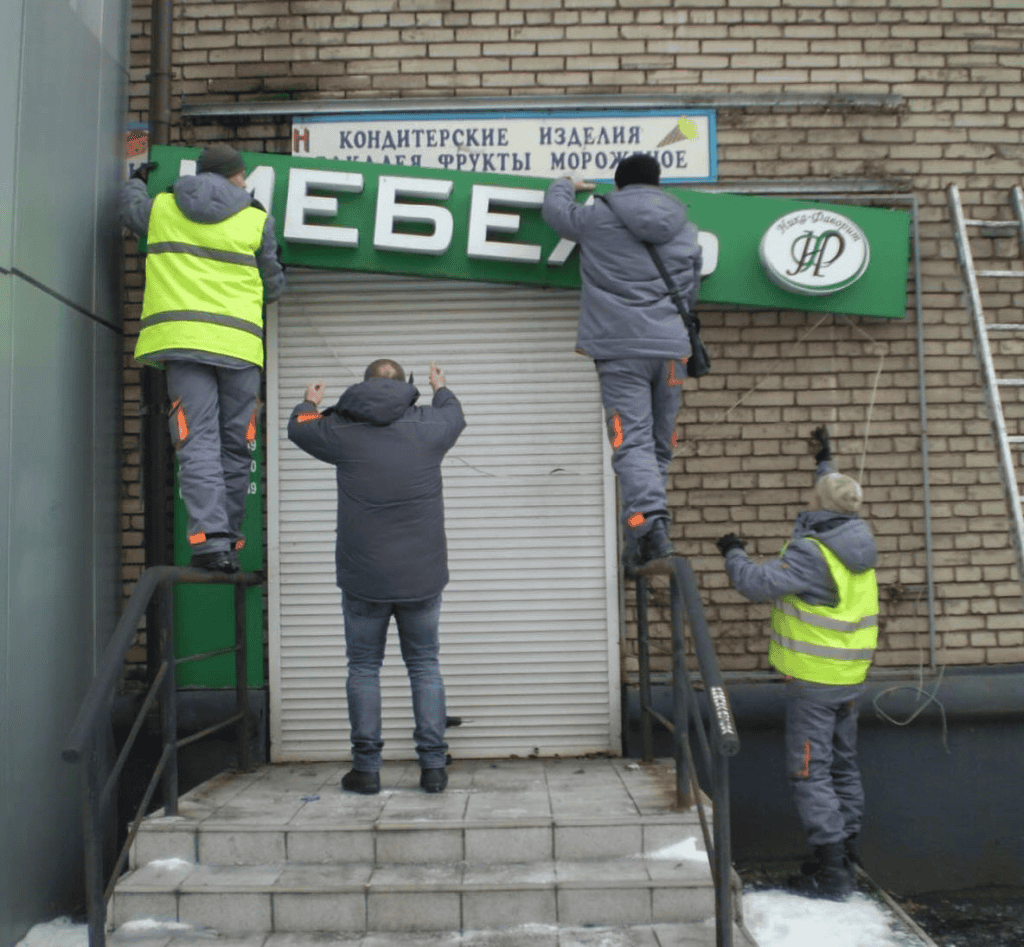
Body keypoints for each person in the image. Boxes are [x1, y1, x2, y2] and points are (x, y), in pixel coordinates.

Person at [715, 426, 879, 901]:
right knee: (843, 768)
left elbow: (755, 583)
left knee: (810, 772)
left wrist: (732, 551)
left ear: (822, 506)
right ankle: (846, 853)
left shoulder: (813, 553)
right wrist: (824, 459)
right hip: (849, 679)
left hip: (814, 682)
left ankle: (830, 873)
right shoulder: (855, 536)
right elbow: (833, 492)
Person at [288, 359, 466, 795]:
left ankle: (366, 769)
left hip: (362, 576)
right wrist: (440, 388)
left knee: (364, 667)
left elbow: (300, 427)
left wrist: (310, 400)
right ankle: (433, 768)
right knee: (425, 665)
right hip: (421, 576)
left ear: (362, 386)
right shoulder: (429, 425)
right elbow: (455, 415)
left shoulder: (341, 430)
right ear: (406, 386)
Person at [121, 143, 286, 572]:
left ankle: (209, 542)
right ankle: (226, 543)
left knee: (197, 444)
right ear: (237, 176)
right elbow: (275, 284)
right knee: (236, 448)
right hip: (239, 350)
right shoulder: (257, 218)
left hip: (183, 343)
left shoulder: (162, 207)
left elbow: (130, 212)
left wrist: (135, 182)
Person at [542, 152, 703, 575]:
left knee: (630, 441)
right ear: (657, 183)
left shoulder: (597, 217)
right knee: (657, 445)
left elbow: (557, 214)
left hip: (621, 351)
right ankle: (642, 535)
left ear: (618, 184)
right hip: (671, 352)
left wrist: (564, 183)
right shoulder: (685, 226)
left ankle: (650, 525)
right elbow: (690, 292)